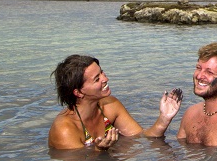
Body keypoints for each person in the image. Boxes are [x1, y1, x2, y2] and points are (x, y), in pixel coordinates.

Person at [48, 55, 182, 150]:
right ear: (78, 92)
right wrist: (99, 151)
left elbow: (142, 138)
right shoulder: (64, 129)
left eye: (102, 73)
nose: (105, 78)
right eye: (97, 79)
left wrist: (164, 118)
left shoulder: (110, 106)